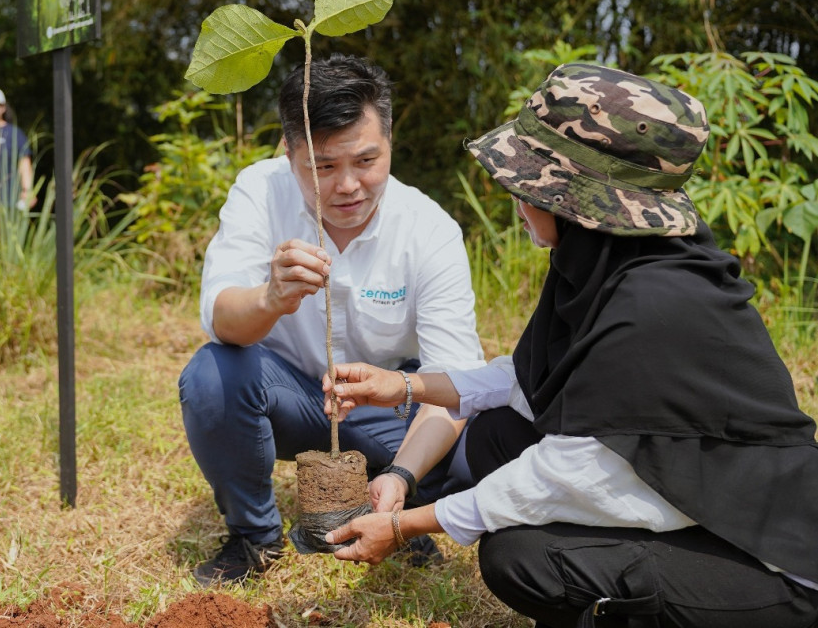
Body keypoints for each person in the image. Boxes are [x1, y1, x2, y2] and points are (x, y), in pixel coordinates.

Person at [323, 64, 818, 628]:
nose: (517, 202)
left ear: (575, 203)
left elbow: (576, 473)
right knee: (497, 435)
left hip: (769, 558)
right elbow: (529, 378)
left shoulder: (656, 305)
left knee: (520, 559)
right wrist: (404, 386)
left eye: (526, 188)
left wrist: (406, 524)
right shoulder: (604, 266)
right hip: (685, 501)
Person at [178, 55, 485, 587]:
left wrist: (402, 476)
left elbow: (454, 380)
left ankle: (401, 519)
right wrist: (270, 298)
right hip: (288, 398)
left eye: (367, 161)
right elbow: (223, 318)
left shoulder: (428, 229)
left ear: (390, 143)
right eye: (322, 167)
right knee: (213, 377)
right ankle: (255, 537)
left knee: (472, 451)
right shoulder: (259, 191)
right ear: (288, 152)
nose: (347, 186)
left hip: (387, 411)